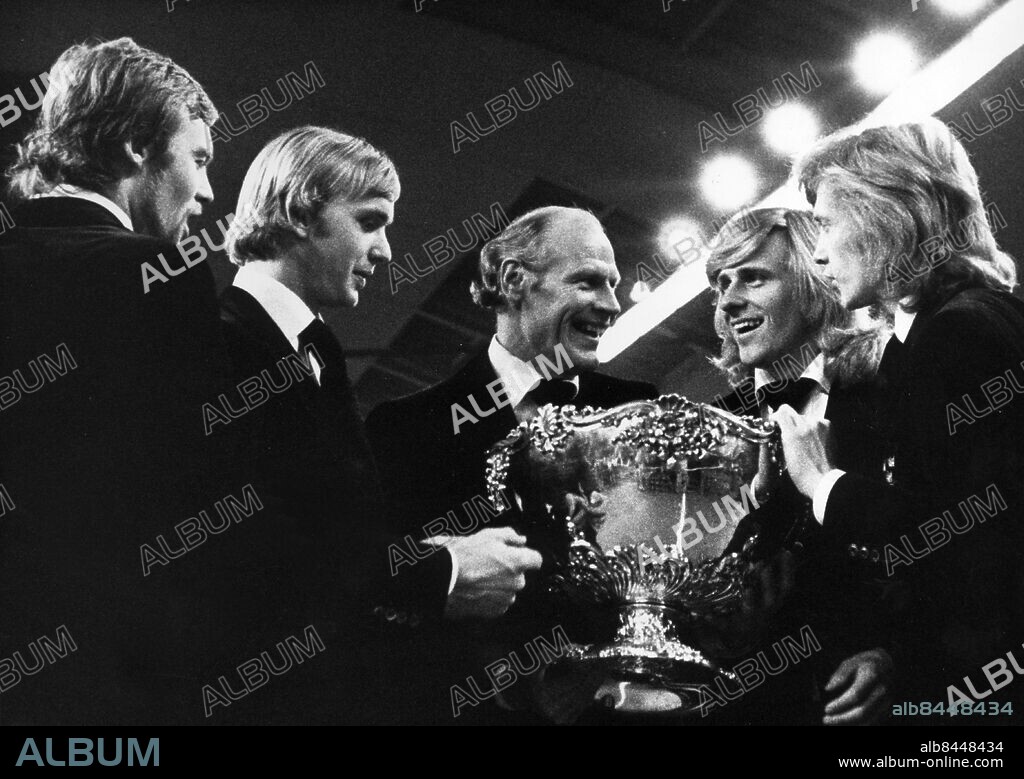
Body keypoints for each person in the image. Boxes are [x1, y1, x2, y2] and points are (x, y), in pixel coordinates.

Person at [218, 126, 543, 723]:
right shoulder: (217, 341)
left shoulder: (318, 351)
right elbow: (251, 549)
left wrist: (425, 551)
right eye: (369, 221)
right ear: (297, 211)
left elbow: (328, 527)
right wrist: (438, 572)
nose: (388, 250)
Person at [0, 37, 229, 723]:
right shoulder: (155, 272)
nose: (210, 191)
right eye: (199, 158)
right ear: (136, 144)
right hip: (103, 671)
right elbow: (182, 498)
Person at [365, 205, 657, 724]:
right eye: (588, 282)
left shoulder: (641, 410)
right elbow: (391, 590)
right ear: (515, 280)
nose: (611, 305)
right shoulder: (408, 427)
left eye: (613, 285)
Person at [780, 117, 1024, 716]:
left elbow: (982, 542)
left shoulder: (959, 332)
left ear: (891, 214)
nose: (816, 252)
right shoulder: (961, 325)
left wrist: (822, 481)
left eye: (828, 223)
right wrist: (900, 659)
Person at [704, 206, 897, 725]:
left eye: (754, 277)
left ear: (816, 280)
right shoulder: (714, 429)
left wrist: (894, 651)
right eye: (722, 284)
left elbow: (948, 533)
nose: (728, 301)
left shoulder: (894, 379)